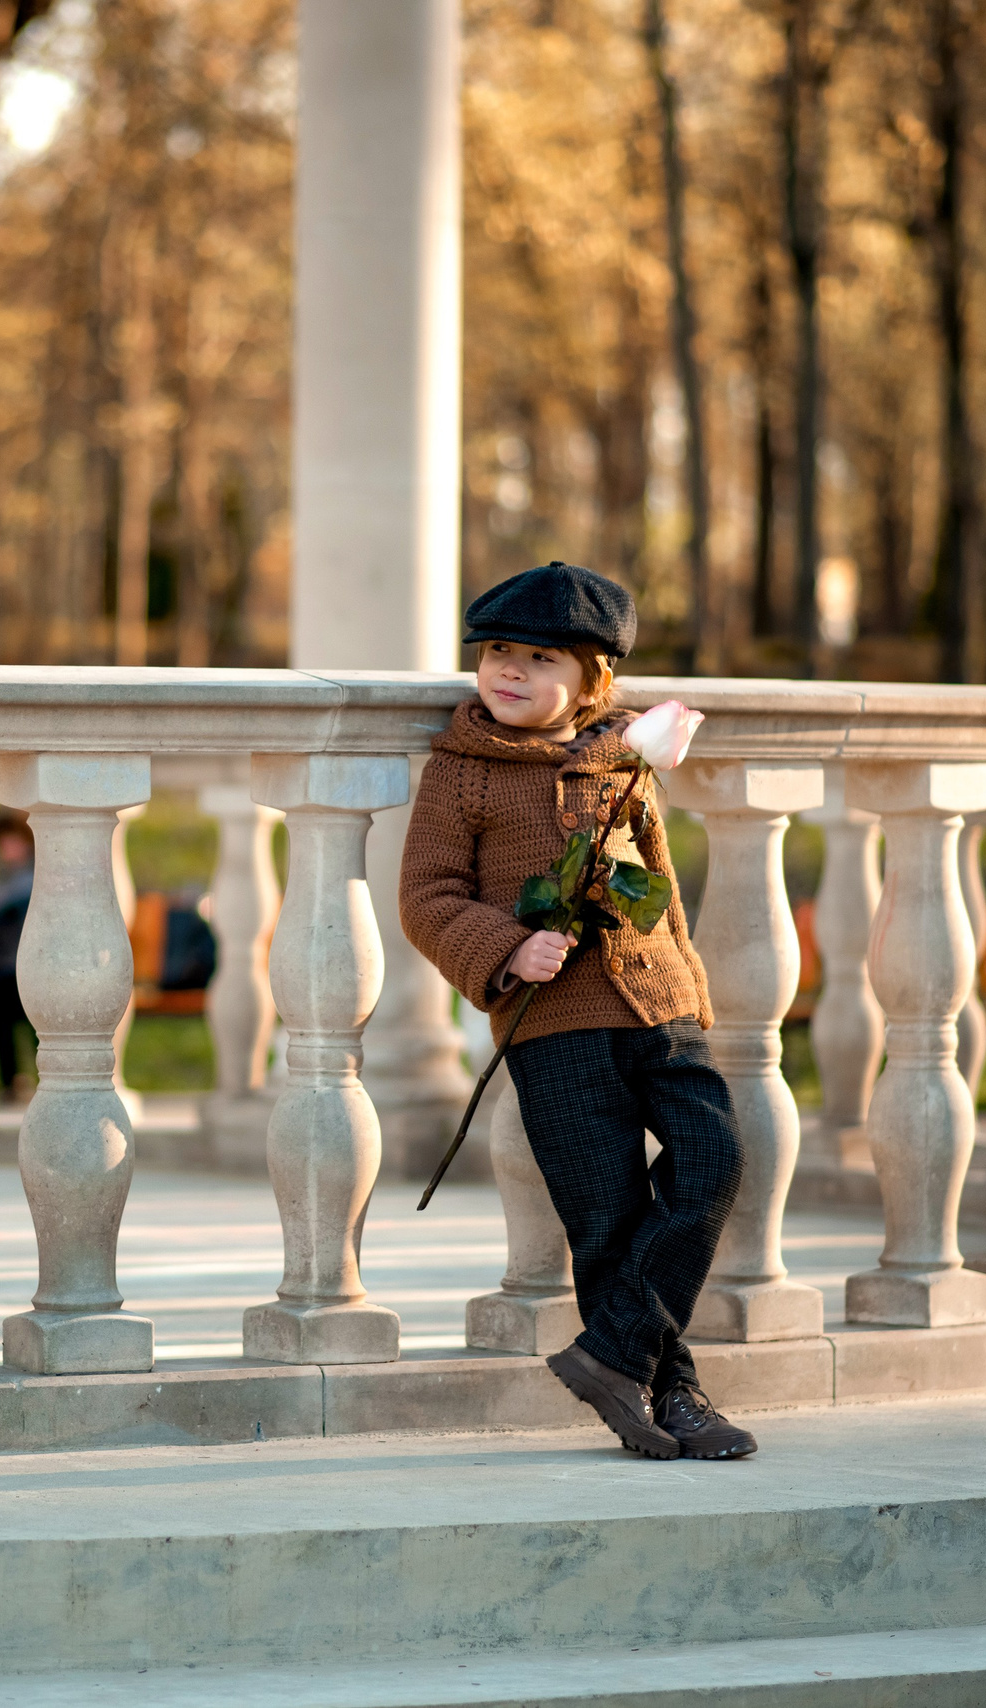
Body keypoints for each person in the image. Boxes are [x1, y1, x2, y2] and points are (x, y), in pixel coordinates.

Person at [397, 560, 755, 1461]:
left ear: (594, 679)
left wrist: (691, 984)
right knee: (606, 1218)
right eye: (499, 652)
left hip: (658, 1008)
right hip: (554, 1023)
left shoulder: (622, 755)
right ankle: (670, 1398)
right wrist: (508, 947)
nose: (510, 672)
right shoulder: (462, 772)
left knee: (713, 1160)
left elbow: (660, 880)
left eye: (540, 658)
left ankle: (608, 1355)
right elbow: (427, 897)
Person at [0, 813, 36, 1102]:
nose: (8, 848)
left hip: (29, 970)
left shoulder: (32, 882)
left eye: (14, 842)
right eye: (3, 843)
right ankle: (10, 1080)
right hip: (0, 970)